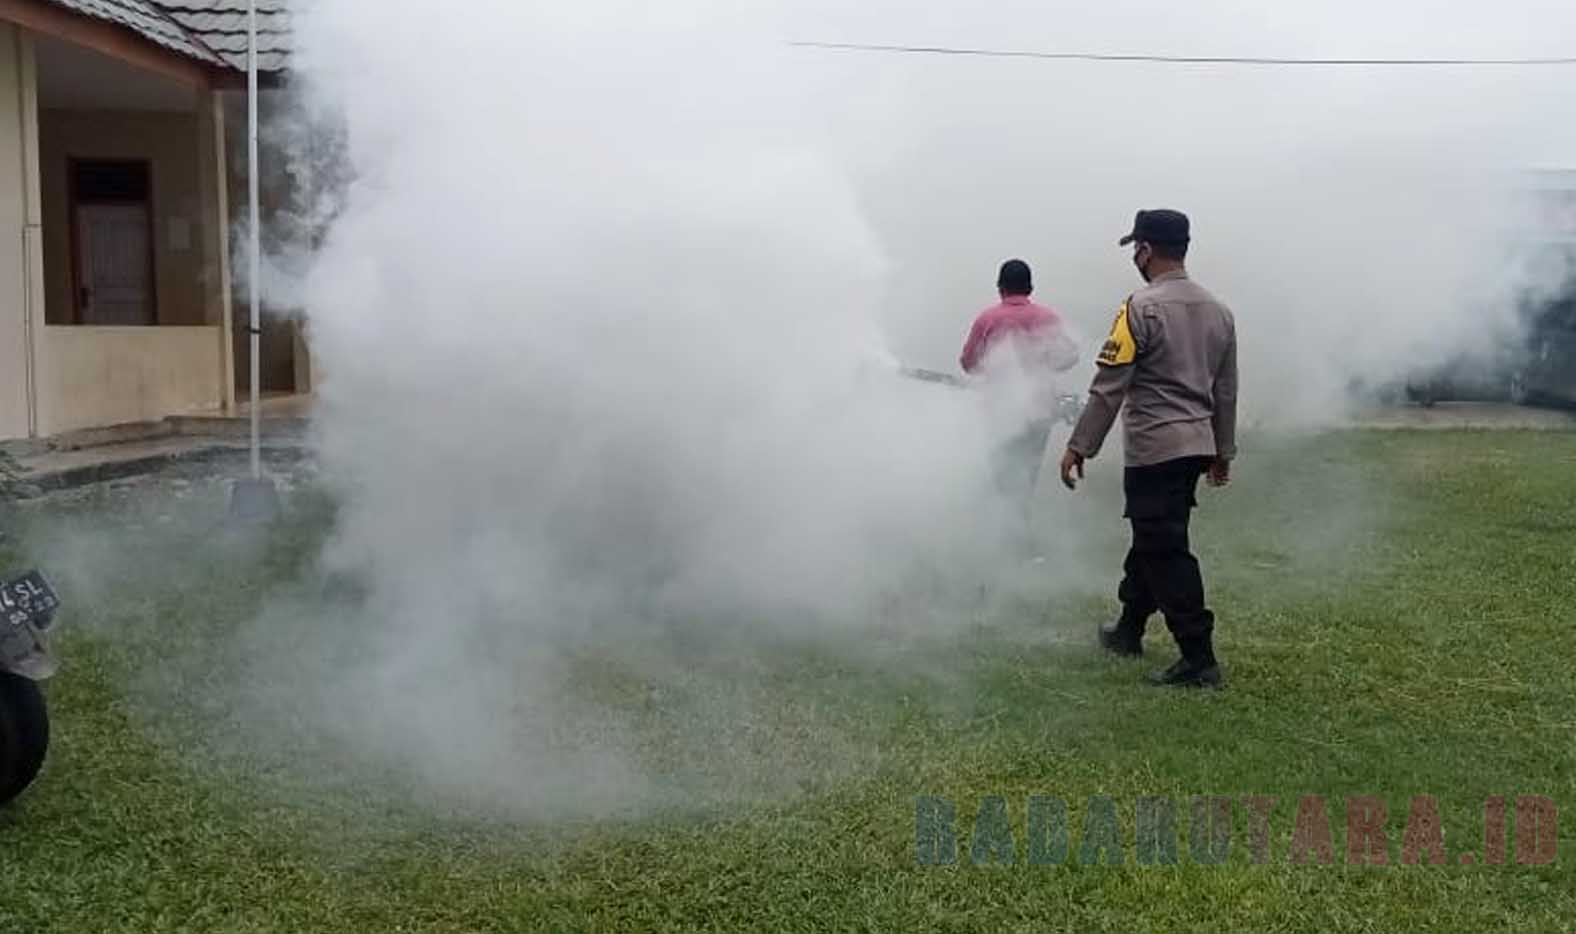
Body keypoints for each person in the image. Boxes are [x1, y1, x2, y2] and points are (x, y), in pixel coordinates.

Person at [1059, 210, 1238, 688]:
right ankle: (1128, 629)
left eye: (1135, 249)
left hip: (1155, 447)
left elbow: (1108, 387)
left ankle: (1198, 657)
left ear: (1145, 250)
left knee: (1164, 548)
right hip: (1195, 445)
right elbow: (1226, 391)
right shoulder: (1219, 310)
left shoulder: (1139, 307)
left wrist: (1080, 445)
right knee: (1151, 536)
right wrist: (1222, 450)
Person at [960, 259, 1080, 551]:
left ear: (1000, 288)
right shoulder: (1047, 317)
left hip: (999, 411)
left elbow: (968, 363)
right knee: (1026, 472)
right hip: (1039, 411)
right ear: (1030, 288)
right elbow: (1069, 356)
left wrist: (992, 372)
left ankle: (1006, 536)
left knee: (1002, 472)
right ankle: (1015, 533)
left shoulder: (987, 319)